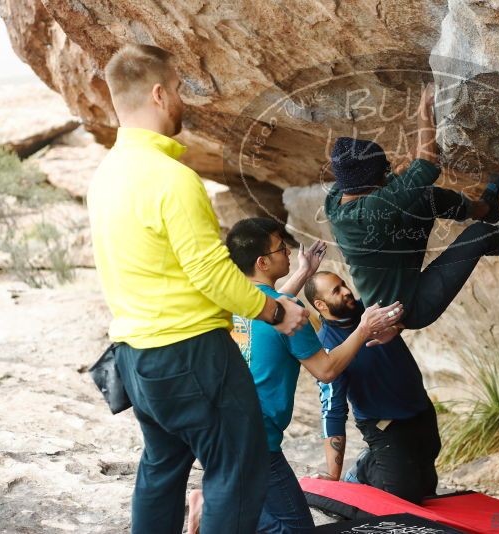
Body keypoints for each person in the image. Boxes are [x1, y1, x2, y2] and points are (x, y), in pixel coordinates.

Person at [87, 44, 309, 534]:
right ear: (160, 93)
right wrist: (275, 314)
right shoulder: (172, 178)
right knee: (239, 469)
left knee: (161, 471)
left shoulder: (103, 178)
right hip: (191, 354)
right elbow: (211, 274)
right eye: (181, 89)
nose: (184, 100)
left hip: (135, 358)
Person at [187, 218, 404, 534]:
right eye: (279, 248)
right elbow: (326, 370)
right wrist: (363, 328)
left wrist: (303, 272)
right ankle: (213, 510)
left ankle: (213, 505)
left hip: (218, 428)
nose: (288, 251)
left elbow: (269, 307)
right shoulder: (287, 309)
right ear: (263, 262)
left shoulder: (235, 300)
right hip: (253, 438)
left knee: (276, 515)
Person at [325, 83, 499, 330]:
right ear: (367, 185)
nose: (386, 174)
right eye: (381, 173)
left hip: (397, 250)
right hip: (409, 307)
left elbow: (403, 168)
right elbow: (426, 165)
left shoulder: (338, 195)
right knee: (478, 235)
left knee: (424, 198)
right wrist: (424, 108)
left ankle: (486, 208)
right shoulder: (368, 214)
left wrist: (405, 160)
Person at [304, 271, 440, 504]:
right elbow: (333, 409)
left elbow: (408, 307)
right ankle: (363, 470)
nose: (347, 291)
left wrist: (398, 324)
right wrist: (332, 474)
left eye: (343, 284)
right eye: (336, 291)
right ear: (320, 304)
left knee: (427, 487)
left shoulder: (368, 308)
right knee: (404, 496)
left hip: (419, 407)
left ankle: (388, 466)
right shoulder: (327, 345)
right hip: (383, 424)